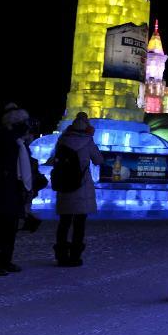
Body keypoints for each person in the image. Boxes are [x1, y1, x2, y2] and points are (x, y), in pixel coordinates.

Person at [0, 104, 32, 275]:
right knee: (0, 229)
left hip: (14, 189)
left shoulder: (20, 143)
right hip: (3, 190)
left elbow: (26, 165)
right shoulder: (5, 141)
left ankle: (5, 260)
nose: (27, 124)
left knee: (10, 228)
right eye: (23, 121)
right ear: (15, 123)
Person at [51, 112, 103, 267]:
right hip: (82, 187)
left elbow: (54, 159)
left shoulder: (62, 140)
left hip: (65, 185)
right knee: (79, 224)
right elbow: (99, 160)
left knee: (64, 223)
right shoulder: (88, 141)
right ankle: (75, 256)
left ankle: (61, 255)